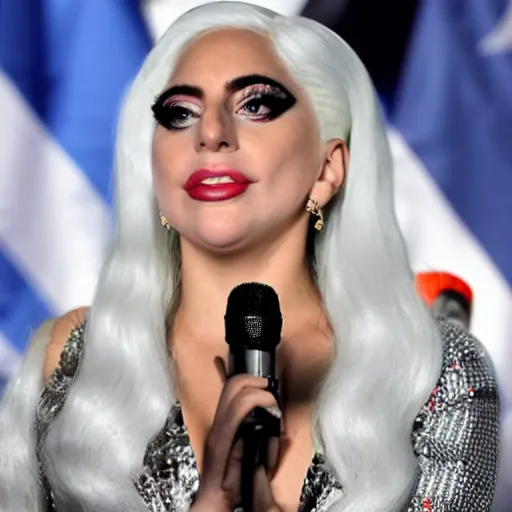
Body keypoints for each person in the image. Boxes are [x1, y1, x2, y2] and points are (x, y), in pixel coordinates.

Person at [0, 2, 500, 511]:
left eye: (255, 105)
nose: (211, 132)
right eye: (179, 113)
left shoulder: (436, 374)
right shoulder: (77, 360)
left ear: (328, 169)